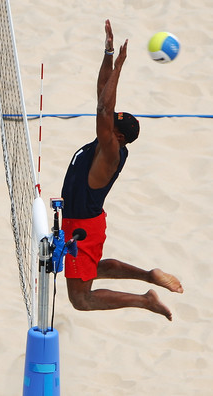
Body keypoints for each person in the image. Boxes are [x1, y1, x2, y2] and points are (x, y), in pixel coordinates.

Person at [60, 20, 183, 321]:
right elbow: (103, 95)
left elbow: (104, 107)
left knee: (81, 298)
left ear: (118, 137)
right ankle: (149, 276)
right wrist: (109, 52)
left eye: (111, 124)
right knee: (94, 270)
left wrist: (122, 66)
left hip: (81, 229)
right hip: (85, 222)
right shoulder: (108, 141)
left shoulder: (111, 151)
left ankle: (145, 301)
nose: (105, 120)